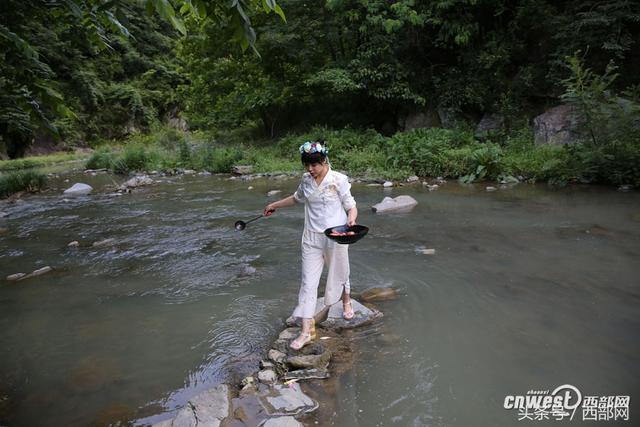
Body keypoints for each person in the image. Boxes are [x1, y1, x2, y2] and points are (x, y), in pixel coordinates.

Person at [264, 140, 358, 350]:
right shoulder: (306, 180)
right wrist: (274, 205)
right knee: (308, 282)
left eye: (314, 164)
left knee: (341, 272)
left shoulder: (338, 180)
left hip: (336, 235)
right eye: (307, 164)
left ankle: (346, 302)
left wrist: (351, 220)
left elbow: (351, 206)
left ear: (324, 161)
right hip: (311, 239)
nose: (310, 169)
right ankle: (306, 332)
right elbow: (297, 199)